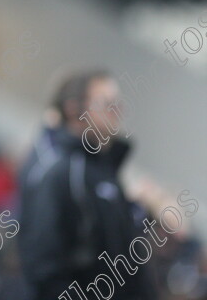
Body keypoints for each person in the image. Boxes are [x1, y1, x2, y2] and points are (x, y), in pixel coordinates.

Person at [18, 70, 156, 300]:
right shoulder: (61, 174)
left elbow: (118, 247)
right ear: (74, 110)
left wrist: (145, 210)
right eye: (106, 104)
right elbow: (43, 268)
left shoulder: (104, 168)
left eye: (118, 103)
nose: (117, 112)